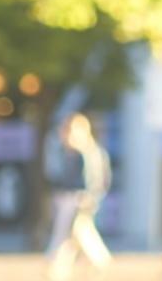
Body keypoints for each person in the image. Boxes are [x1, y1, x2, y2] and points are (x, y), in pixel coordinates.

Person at [44, 112, 113, 280]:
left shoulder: (89, 153)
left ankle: (57, 267)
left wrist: (91, 197)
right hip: (69, 199)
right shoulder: (67, 153)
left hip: (78, 200)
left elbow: (97, 181)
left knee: (66, 235)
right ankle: (95, 263)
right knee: (77, 236)